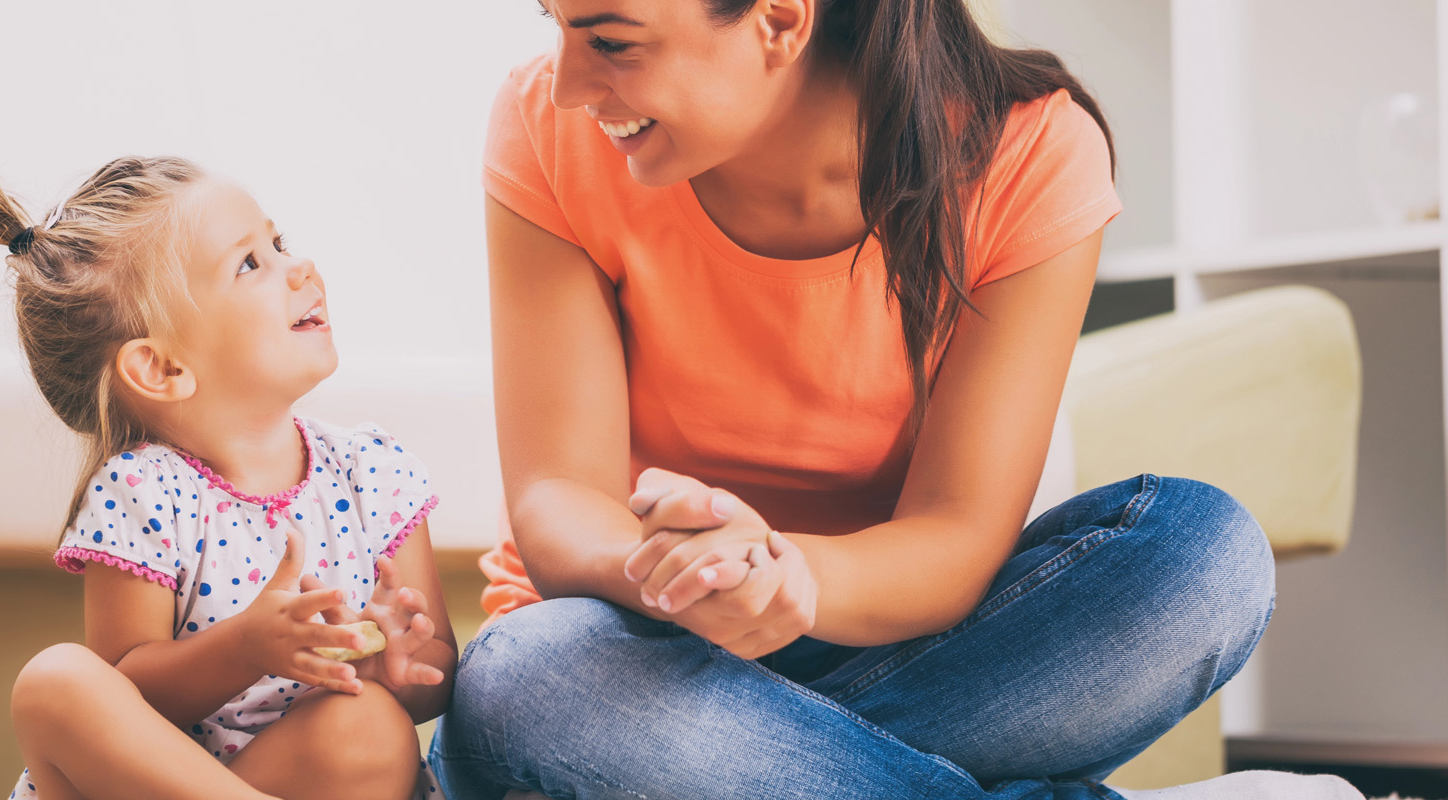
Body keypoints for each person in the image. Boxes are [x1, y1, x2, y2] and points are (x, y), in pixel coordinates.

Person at [432, 2, 1358, 798]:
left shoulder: (1030, 151)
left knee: (1205, 555)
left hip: (887, 646)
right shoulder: (546, 129)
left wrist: (789, 578)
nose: (568, 85)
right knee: (533, 675)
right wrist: (689, 574)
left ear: (779, 19)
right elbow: (558, 497)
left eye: (610, 41)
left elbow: (956, 537)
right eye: (555, 27)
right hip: (633, 651)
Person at [0, 142, 455, 800]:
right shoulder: (143, 493)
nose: (299, 267)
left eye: (279, 242)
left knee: (372, 725)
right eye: (250, 263)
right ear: (162, 368)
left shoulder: (372, 474)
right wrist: (245, 647)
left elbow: (436, 673)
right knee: (55, 683)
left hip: (308, 774)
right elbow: (128, 693)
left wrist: (395, 660)